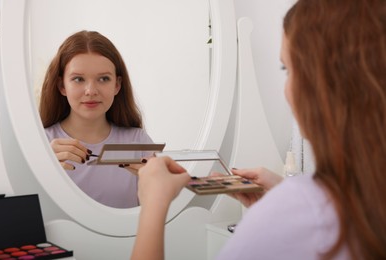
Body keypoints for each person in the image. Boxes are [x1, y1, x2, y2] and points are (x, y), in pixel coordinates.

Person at [131, 0, 386, 259]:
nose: (286, 89)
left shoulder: (297, 210)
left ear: (320, 83)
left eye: (287, 69)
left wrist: (153, 205)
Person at [39, 30, 154, 209]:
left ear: (117, 85)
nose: (91, 91)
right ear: (62, 86)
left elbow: (158, 213)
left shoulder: (138, 142)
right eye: (78, 79)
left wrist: (159, 187)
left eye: (103, 79)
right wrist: (43, 169)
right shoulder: (42, 143)